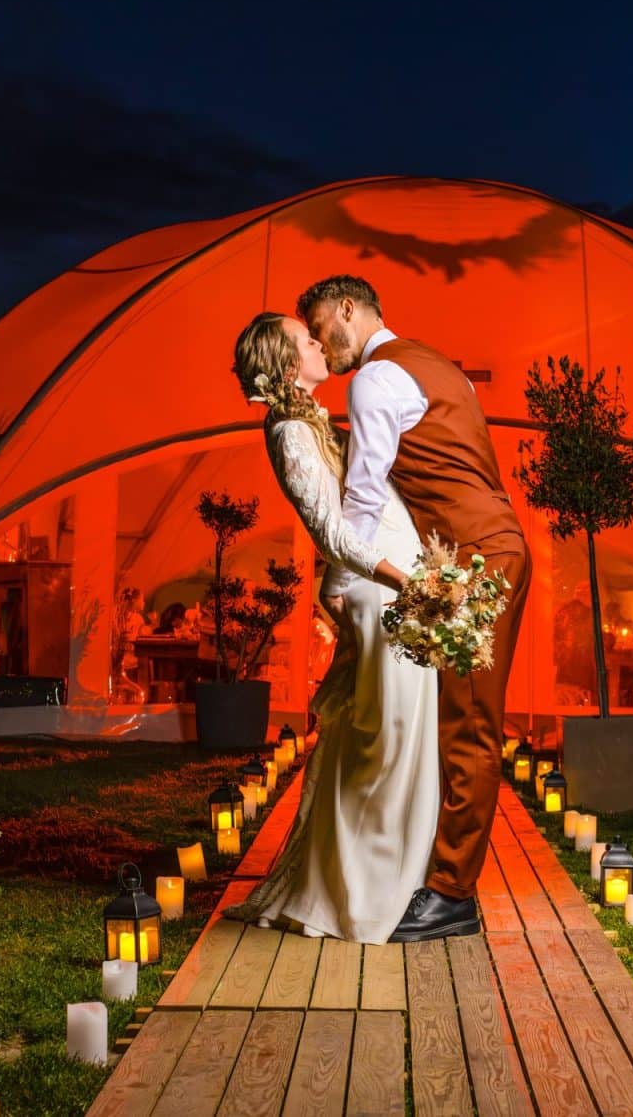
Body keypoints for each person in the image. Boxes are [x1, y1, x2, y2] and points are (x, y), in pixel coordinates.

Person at [302, 273, 533, 943]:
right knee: (453, 717)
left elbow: (366, 493)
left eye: (322, 325)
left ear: (350, 307)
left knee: (469, 724)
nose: (322, 341)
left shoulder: (374, 378)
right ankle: (430, 873)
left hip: (477, 561)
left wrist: (339, 582)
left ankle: (453, 896)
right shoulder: (436, 365)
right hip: (481, 551)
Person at [220, 311, 425, 943]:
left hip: (380, 585)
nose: (319, 341)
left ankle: (383, 882)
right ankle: (365, 896)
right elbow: (330, 533)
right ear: (287, 365)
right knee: (383, 743)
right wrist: (405, 579)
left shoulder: (306, 419)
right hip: (376, 590)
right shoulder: (287, 432)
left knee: (386, 738)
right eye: (307, 340)